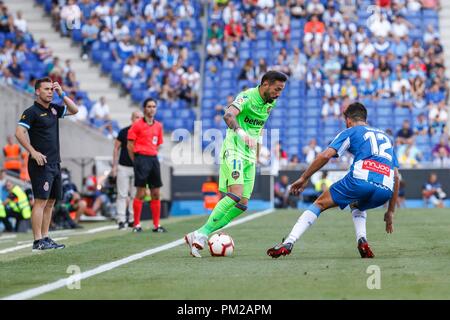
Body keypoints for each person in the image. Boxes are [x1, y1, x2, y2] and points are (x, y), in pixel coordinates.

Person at [267, 102, 400, 259]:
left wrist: (304, 178)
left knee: (319, 204)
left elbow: (325, 155)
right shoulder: (386, 137)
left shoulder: (351, 131)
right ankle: (362, 240)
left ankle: (288, 242)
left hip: (361, 179)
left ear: (348, 119)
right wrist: (390, 211)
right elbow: (396, 176)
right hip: (385, 189)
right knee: (356, 203)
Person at [185, 70, 288, 258]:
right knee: (234, 195)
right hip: (234, 149)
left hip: (249, 155)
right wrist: (241, 133)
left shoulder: (270, 102)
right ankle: (201, 235)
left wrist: (258, 151)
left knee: (242, 204)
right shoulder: (247, 96)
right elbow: (228, 115)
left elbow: (258, 128)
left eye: (281, 90)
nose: (278, 94)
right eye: (277, 89)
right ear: (265, 84)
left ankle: (197, 233)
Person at [15, 77, 78, 251]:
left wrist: (62, 94)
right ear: (37, 91)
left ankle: (45, 237)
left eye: (51, 89)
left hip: (55, 162)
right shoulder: (31, 112)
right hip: (40, 164)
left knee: (50, 202)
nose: (50, 92)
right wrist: (33, 152)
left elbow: (75, 110)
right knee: (40, 202)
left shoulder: (53, 109)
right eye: (46, 89)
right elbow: (19, 133)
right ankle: (37, 241)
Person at [127, 98, 166, 233]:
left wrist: (152, 153)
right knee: (141, 193)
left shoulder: (159, 126)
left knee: (156, 193)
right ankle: (136, 225)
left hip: (153, 159)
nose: (151, 109)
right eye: (149, 106)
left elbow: (159, 143)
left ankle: (157, 225)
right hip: (141, 159)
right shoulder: (137, 125)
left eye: (154, 106)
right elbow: (130, 144)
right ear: (144, 109)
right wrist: (136, 161)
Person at [112, 110, 143, 230]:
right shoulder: (124, 131)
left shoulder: (143, 133)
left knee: (135, 195)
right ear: (132, 119)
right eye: (136, 117)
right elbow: (116, 148)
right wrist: (114, 166)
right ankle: (121, 219)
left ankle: (132, 219)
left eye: (140, 117)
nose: (138, 119)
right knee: (122, 194)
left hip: (137, 167)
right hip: (123, 166)